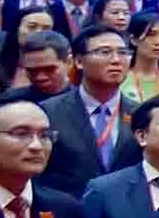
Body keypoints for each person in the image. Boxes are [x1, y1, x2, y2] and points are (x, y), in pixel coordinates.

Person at [40, 24, 132, 197]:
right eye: (104, 52)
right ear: (78, 61)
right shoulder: (48, 112)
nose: (116, 60)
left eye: (123, 52)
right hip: (68, 211)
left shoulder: (140, 113)